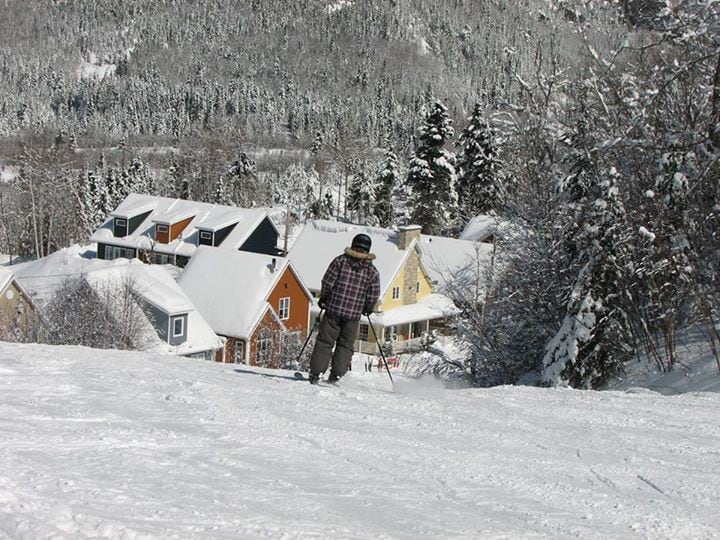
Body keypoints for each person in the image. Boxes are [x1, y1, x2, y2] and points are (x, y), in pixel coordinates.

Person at [309, 233, 381, 384]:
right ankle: (336, 374)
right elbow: (373, 293)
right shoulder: (372, 271)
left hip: (334, 309)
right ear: (368, 250)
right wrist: (368, 307)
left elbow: (328, 281)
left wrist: (324, 298)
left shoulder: (340, 261)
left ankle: (316, 373)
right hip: (353, 315)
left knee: (325, 341)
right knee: (345, 345)